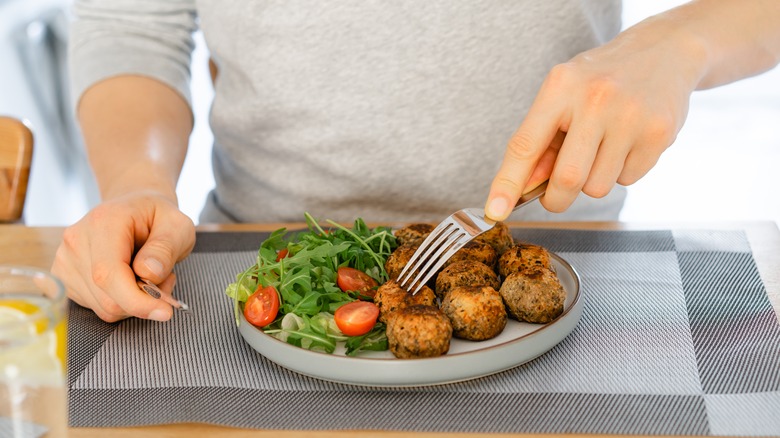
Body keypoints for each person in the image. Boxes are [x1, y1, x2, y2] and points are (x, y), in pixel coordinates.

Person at [53, 0, 780, 323]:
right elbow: (131, 27)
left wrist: (681, 42)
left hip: (575, 266)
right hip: (258, 266)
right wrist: (137, 184)